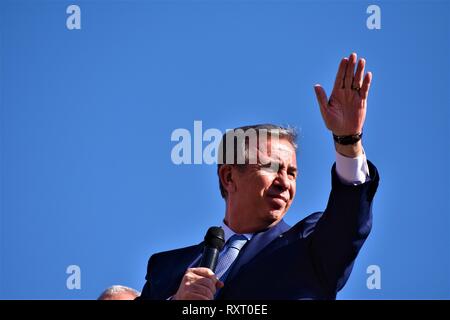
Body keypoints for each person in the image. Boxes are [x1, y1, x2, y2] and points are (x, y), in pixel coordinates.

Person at [137, 52, 379, 300]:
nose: (285, 182)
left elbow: (349, 219)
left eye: (292, 173)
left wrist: (348, 140)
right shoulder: (165, 268)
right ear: (229, 177)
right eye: (271, 167)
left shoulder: (309, 245)